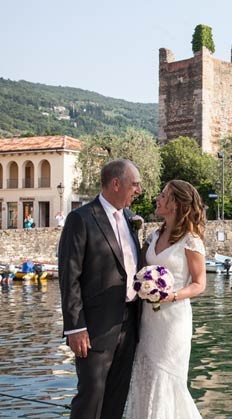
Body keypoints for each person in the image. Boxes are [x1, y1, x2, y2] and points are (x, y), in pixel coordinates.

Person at [58, 158, 142, 419]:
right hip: (93, 328)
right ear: (116, 184)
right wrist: (75, 327)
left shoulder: (130, 219)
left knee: (116, 396)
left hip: (129, 324)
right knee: (91, 395)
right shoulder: (80, 219)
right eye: (134, 184)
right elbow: (69, 276)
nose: (138, 190)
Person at [126, 180, 206, 418]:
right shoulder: (153, 236)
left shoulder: (191, 240)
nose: (157, 199)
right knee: (146, 374)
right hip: (149, 319)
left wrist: (171, 295)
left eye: (163, 196)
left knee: (167, 377)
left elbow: (199, 284)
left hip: (174, 320)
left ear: (176, 203)